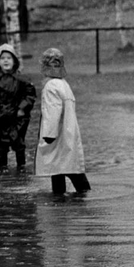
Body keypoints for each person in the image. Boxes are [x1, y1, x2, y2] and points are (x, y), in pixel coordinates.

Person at [35, 47, 90, 198]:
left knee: (64, 168)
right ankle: (63, 198)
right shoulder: (63, 84)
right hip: (67, 132)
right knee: (63, 168)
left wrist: (49, 135)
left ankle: (74, 199)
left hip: (58, 135)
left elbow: (53, 111)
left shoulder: (51, 86)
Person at [0, 41, 35, 174]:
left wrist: (22, 109)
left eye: (9, 58)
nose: (6, 61)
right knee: (1, 145)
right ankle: (2, 167)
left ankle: (21, 167)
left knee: (19, 143)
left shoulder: (22, 79)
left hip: (18, 117)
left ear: (14, 61)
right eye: (2, 58)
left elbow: (30, 95)